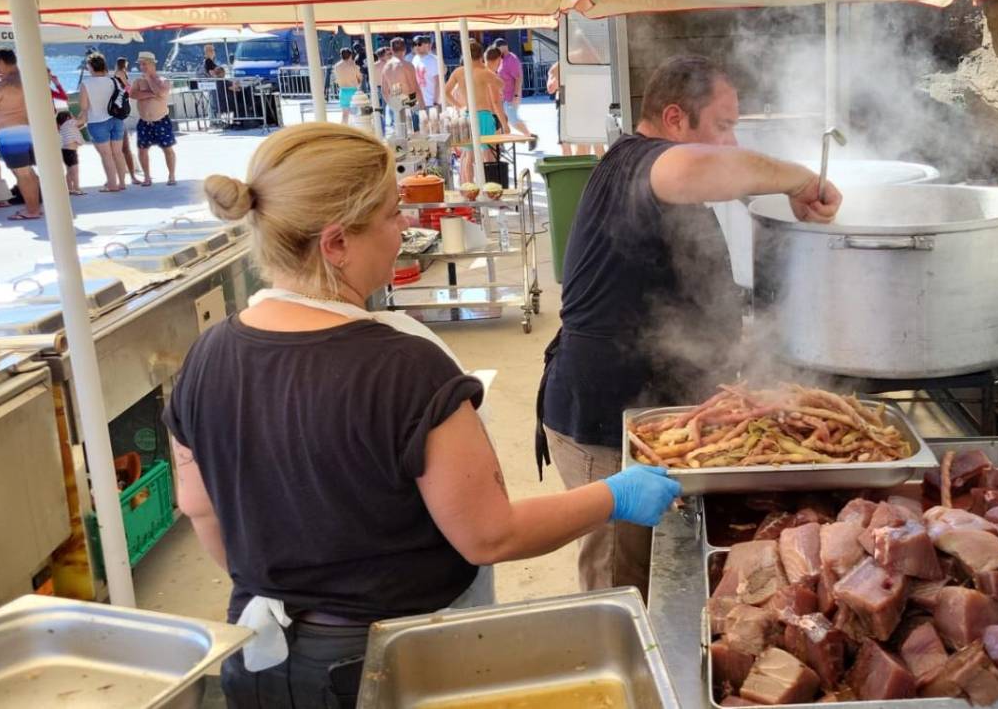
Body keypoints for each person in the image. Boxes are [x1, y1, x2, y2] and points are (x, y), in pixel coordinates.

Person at [170, 122, 679, 708]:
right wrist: (616, 495)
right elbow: (490, 534)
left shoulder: (207, 355)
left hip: (259, 656)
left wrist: (291, 588)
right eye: (392, 214)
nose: (404, 227)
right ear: (336, 243)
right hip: (385, 666)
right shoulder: (404, 366)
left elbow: (199, 505)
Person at [537, 55, 841, 594]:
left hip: (649, 413)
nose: (730, 142)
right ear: (674, 119)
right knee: (622, 582)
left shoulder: (655, 175)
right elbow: (695, 168)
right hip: (604, 420)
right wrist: (802, 179)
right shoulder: (637, 160)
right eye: (723, 126)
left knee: (660, 572)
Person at [443, 40, 507, 179]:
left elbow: (445, 92)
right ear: (480, 56)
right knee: (488, 154)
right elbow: (501, 84)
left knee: (468, 156)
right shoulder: (484, 72)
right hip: (484, 115)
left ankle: (469, 188)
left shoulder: (459, 72)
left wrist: (459, 105)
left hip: (467, 115)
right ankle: (490, 186)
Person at [0, 49, 41, 219]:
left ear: (0, 61)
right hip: (30, 130)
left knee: (22, 174)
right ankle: (35, 207)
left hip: (10, 134)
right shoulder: (28, 79)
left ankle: (32, 210)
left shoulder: (4, 85)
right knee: (28, 173)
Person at [79, 53, 128, 192]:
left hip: (97, 122)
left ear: (90, 67)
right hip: (116, 119)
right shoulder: (113, 81)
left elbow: (84, 107)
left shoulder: (86, 84)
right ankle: (122, 183)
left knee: (106, 155)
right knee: (118, 153)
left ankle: (112, 185)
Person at [129, 51, 176, 186]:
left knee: (168, 148)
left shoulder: (163, 80)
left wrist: (149, 79)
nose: (141, 67)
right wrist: (151, 93)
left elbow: (161, 93)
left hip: (161, 120)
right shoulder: (138, 81)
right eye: (140, 64)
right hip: (144, 121)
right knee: (142, 150)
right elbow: (133, 94)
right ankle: (147, 177)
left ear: (152, 64)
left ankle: (171, 175)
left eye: (144, 64)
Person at [491, 38, 536, 149]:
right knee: (502, 120)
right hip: (504, 96)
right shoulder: (502, 59)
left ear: (503, 47)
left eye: (497, 49)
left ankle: (530, 136)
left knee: (513, 120)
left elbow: (518, 78)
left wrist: (516, 95)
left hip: (511, 96)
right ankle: (500, 144)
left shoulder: (512, 60)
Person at [380, 37, 420, 130]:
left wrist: (392, 105)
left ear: (392, 50)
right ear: (405, 50)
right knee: (414, 134)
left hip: (395, 102)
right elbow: (414, 88)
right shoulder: (408, 66)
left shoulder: (386, 67)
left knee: (400, 135)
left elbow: (384, 91)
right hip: (410, 102)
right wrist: (420, 106)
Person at [57, 110, 85, 195]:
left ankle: (70, 188)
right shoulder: (70, 123)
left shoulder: (63, 126)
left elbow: (79, 126)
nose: (74, 117)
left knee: (69, 171)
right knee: (75, 171)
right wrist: (84, 111)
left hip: (65, 151)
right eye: (72, 115)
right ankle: (77, 188)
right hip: (71, 152)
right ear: (68, 118)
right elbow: (82, 121)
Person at [410, 35, 442, 108]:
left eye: (419, 44)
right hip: (417, 103)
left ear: (426, 45)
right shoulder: (415, 59)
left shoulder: (433, 60)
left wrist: (435, 101)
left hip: (431, 103)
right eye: (414, 44)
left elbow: (438, 82)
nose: (416, 46)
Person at [332, 47, 362, 125]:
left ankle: (343, 128)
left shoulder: (336, 66)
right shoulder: (354, 66)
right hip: (353, 90)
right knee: (355, 114)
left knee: (345, 114)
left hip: (343, 90)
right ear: (350, 55)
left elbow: (336, 78)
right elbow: (359, 78)